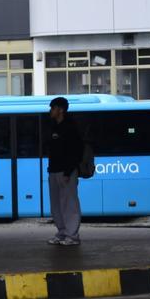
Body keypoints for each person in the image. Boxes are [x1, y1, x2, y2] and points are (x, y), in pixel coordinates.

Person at [46, 97, 83, 246]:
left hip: (66, 172)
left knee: (69, 204)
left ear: (60, 109)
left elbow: (76, 152)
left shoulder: (70, 128)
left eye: (53, 108)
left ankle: (72, 236)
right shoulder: (53, 126)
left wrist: (68, 171)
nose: (50, 111)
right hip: (54, 171)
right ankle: (62, 232)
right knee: (56, 205)